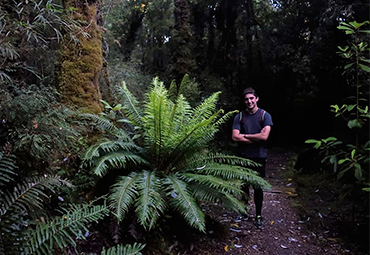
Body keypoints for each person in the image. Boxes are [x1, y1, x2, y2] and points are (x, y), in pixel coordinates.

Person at [231, 87, 273, 228]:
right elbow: (234, 136)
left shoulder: (264, 115)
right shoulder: (240, 116)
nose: (249, 101)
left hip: (259, 156)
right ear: (244, 101)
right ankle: (243, 210)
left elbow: (264, 136)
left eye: (251, 98)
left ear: (257, 99)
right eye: (246, 99)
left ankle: (259, 215)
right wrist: (255, 137)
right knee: (243, 185)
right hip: (242, 156)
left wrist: (246, 136)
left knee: (257, 187)